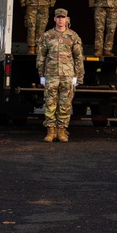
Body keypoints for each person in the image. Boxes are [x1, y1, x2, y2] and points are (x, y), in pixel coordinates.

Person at [36, 8, 85, 142]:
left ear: (66, 19)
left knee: (65, 104)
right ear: (54, 19)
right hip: (51, 75)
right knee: (50, 104)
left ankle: (62, 131)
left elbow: (78, 57)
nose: (60, 19)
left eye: (63, 17)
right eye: (58, 17)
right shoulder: (47, 36)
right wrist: (41, 75)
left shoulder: (73, 36)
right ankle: (51, 131)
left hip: (68, 75)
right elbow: (41, 56)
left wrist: (78, 76)